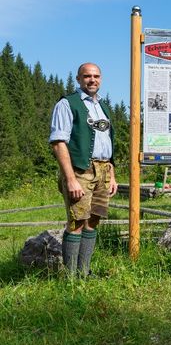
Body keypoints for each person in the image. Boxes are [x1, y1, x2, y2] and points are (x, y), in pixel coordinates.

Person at [49, 62, 118, 276]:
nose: (92, 80)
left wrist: (112, 175)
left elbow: (107, 142)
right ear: (78, 79)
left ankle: (84, 272)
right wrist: (70, 179)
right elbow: (59, 142)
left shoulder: (102, 106)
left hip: (103, 171)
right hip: (80, 171)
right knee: (77, 221)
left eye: (96, 76)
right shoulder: (67, 104)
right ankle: (71, 278)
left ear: (101, 79)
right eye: (87, 76)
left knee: (94, 219)